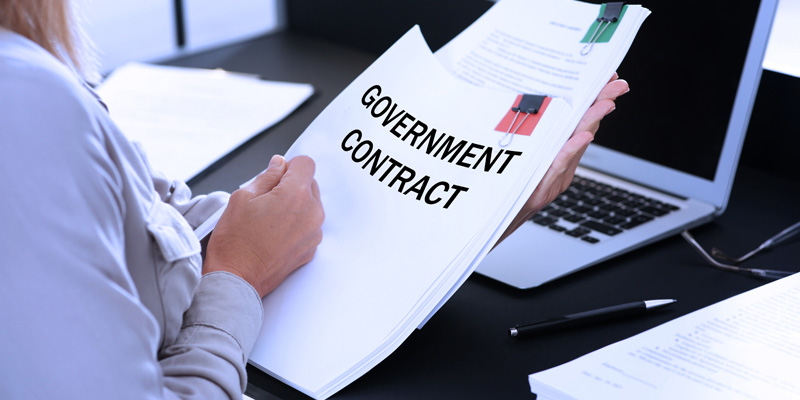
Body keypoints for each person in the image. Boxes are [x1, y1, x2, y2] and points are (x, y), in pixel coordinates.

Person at [0, 1, 628, 399]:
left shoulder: (30, 73)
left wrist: (480, 212)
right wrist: (238, 278)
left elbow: (142, 232)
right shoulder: (25, 99)